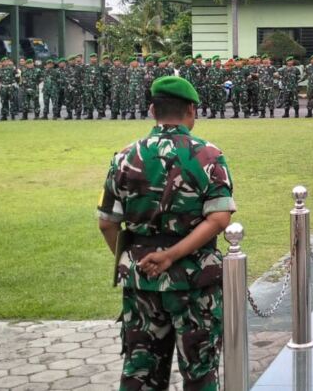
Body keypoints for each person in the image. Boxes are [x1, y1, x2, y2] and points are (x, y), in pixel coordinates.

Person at [97, 76, 235, 390]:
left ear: (151, 110)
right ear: (191, 110)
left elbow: (107, 222)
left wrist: (137, 261)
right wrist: (171, 256)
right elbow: (219, 219)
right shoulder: (208, 156)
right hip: (195, 283)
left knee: (140, 372)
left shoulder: (125, 157)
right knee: (200, 373)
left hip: (142, 280)